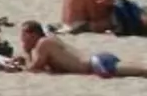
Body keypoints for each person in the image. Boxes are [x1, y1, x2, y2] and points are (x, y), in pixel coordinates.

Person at [18, 21, 147, 78]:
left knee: (143, 70)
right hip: (97, 60)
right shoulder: (50, 39)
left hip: (96, 65)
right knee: (140, 69)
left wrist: (26, 52)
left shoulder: (43, 43)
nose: (22, 39)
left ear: (33, 34)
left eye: (24, 35)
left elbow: (34, 68)